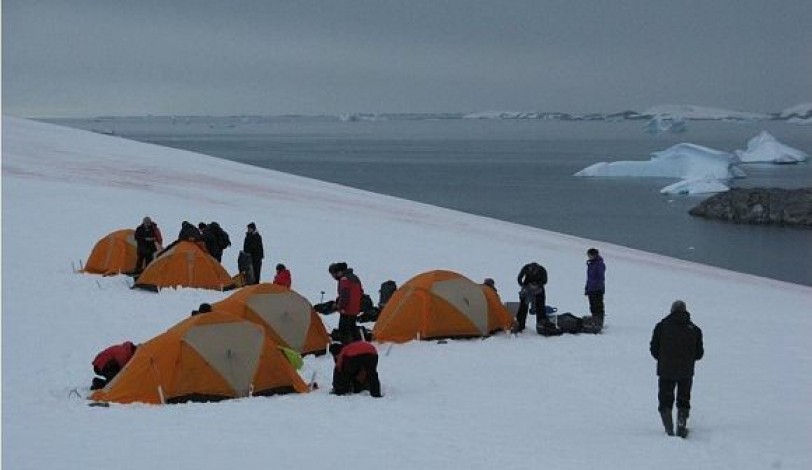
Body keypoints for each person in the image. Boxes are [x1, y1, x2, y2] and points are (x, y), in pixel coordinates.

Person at [650, 300, 704, 438]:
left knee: (665, 398)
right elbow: (699, 354)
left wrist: (663, 359)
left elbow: (654, 349)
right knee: (683, 399)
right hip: (686, 371)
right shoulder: (695, 330)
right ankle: (681, 423)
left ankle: (668, 427)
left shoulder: (661, 327)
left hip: (666, 370)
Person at [328, 262, 364, 338]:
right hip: (355, 309)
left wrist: (340, 306)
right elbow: (361, 292)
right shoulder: (355, 277)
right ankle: (356, 344)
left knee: (344, 331)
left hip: (347, 310)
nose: (333, 277)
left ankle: (347, 346)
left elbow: (344, 295)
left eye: (333, 274)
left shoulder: (344, 280)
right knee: (352, 328)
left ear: (339, 272)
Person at [515, 262, 548, 333]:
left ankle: (541, 325)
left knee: (540, 308)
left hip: (539, 289)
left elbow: (545, 281)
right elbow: (519, 278)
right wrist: (523, 285)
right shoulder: (526, 267)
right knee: (523, 307)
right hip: (527, 287)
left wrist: (537, 285)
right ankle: (520, 325)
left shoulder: (542, 270)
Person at [585, 248, 606, 326]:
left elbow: (601, 277)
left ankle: (599, 321)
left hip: (597, 289)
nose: (588, 257)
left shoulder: (599, 264)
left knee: (598, 306)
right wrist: (587, 287)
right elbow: (589, 278)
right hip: (591, 288)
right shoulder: (591, 264)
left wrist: (599, 288)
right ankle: (595, 319)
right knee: (593, 306)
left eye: (589, 255)